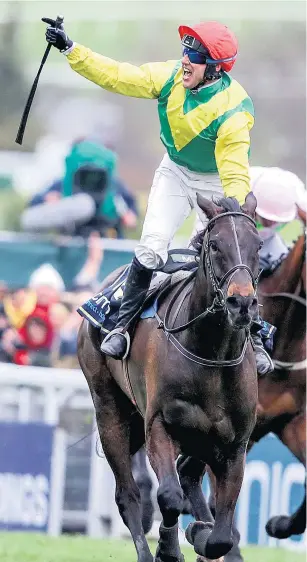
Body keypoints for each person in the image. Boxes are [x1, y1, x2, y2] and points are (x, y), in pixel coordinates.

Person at [43, 17, 272, 374]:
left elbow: (234, 169)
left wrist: (238, 211)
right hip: (175, 174)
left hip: (215, 182)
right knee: (151, 247)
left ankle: (254, 338)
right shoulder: (169, 78)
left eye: (194, 55)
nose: (185, 59)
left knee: (234, 250)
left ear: (213, 69)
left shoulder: (233, 112)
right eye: (185, 50)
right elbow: (118, 75)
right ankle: (120, 325)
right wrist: (72, 49)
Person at [250, 166, 307, 271]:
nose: (271, 223)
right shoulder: (243, 189)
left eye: (276, 220)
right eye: (265, 218)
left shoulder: (299, 200)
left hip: (270, 241)